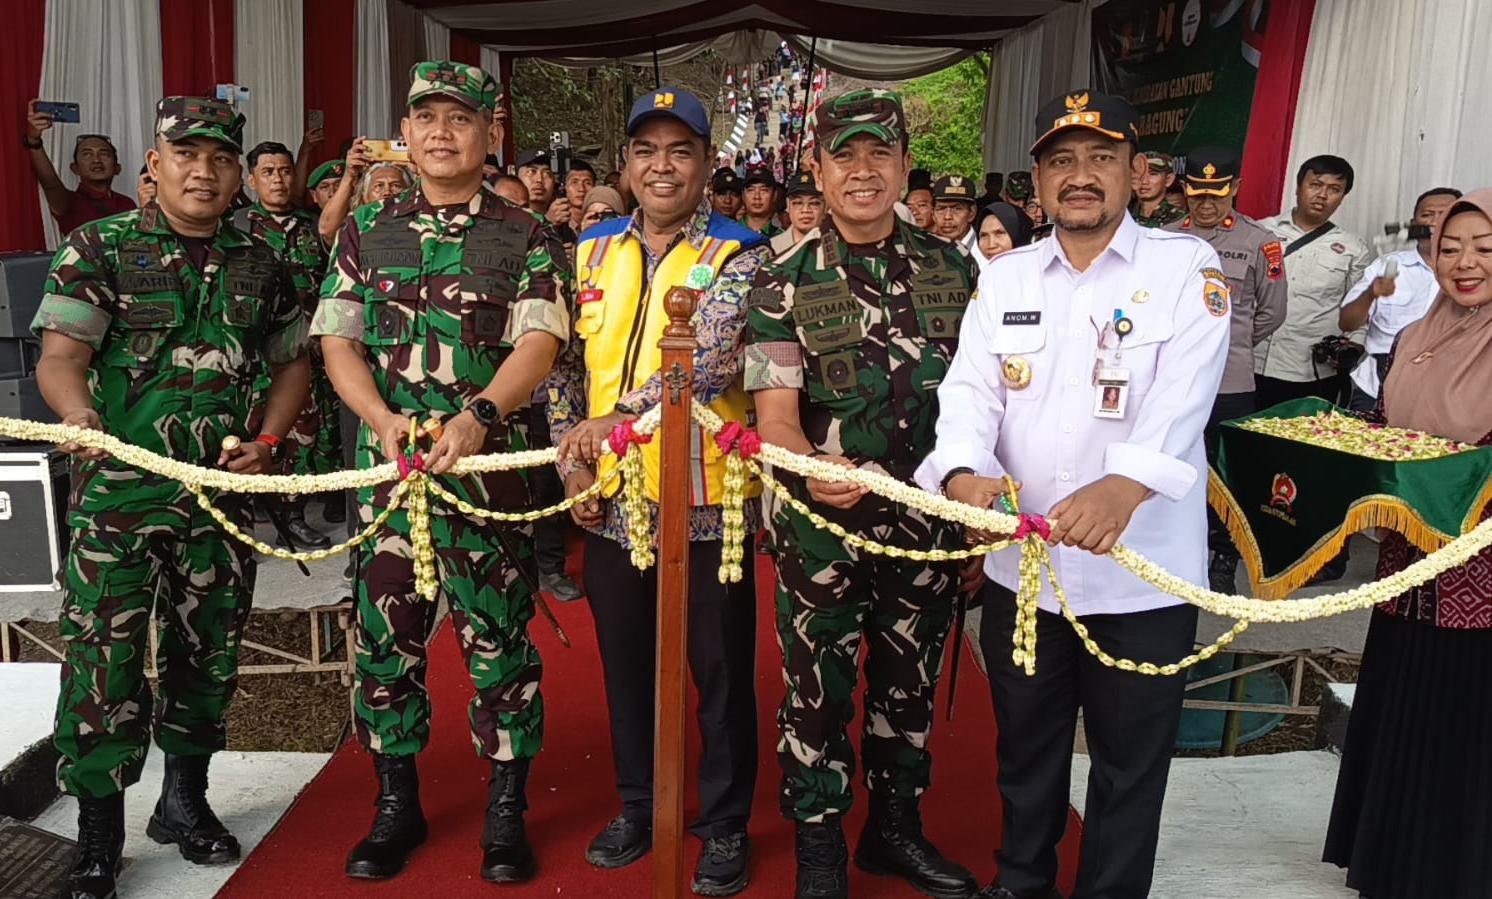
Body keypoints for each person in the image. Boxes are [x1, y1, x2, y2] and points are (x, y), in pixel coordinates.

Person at [919, 89, 1230, 899]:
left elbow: (1184, 396)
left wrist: (1126, 483)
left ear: (1137, 171)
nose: (1081, 176)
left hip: (1141, 572)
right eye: (1062, 160)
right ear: (1038, 179)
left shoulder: (1185, 267)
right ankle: (1021, 884)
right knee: (1026, 754)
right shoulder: (1007, 276)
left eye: (1100, 158)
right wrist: (960, 471)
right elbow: (971, 391)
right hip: (1023, 577)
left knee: (1129, 765)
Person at [34, 96, 311, 899]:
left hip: (217, 500)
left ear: (236, 176)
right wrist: (78, 413)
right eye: (186, 155)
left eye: (222, 158)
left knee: (207, 654)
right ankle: (97, 832)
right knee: (103, 664)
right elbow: (60, 355)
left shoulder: (263, 255)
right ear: (152, 166)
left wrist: (269, 439)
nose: (206, 170)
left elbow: (294, 360)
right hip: (120, 499)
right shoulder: (104, 245)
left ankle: (183, 803)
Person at [314, 60, 570, 885]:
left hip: (487, 476)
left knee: (497, 641)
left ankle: (506, 808)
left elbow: (540, 341)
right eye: (426, 116)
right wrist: (380, 419)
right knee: (386, 641)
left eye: (460, 118)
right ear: (408, 131)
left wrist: (480, 413)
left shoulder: (524, 235)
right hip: (393, 482)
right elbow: (337, 340)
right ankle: (396, 802)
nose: (441, 132)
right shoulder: (368, 228)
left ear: (489, 133)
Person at [745, 88, 981, 899]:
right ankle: (819, 847)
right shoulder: (778, 279)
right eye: (844, 155)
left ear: (905, 165)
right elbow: (774, 416)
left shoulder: (957, 270)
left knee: (908, 684)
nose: (863, 171)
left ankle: (894, 831)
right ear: (816, 168)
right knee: (817, 687)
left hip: (925, 522)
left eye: (880, 153)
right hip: (823, 526)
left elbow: (986, 404)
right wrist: (814, 465)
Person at [548, 86, 765, 896]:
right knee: (627, 665)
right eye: (647, 150)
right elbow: (563, 366)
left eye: (681, 151)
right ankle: (640, 803)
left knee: (718, 670)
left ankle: (724, 820)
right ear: (627, 164)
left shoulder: (745, 252)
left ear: (707, 164)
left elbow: (706, 359)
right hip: (613, 502)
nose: (662, 165)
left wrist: (616, 420)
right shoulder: (590, 249)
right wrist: (572, 459)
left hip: (709, 502)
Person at [1323, 188, 1492, 899]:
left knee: (1464, 717)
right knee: (1406, 703)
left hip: (1478, 580)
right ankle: (1394, 855)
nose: (1464, 263)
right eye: (1450, 247)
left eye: (1484, 248)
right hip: (1407, 569)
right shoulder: (1422, 331)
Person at [1165, 146, 1288, 592]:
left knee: (1226, 473)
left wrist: (1227, 346)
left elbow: (1272, 313)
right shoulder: (1166, 238)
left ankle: (1222, 555)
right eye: (1198, 194)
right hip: (1174, 379)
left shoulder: (1260, 242)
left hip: (1230, 381)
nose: (1207, 204)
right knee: (1175, 461)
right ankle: (1176, 549)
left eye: (1217, 193)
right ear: (1185, 191)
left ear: (1235, 188)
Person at [238, 140, 342, 547]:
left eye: (284, 171)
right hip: (261, 353)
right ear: (251, 180)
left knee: (311, 430)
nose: (278, 179)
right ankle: (271, 512)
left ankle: (304, 505)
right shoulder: (239, 228)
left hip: (311, 349)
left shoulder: (313, 225)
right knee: (263, 430)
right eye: (268, 172)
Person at [1255, 155, 1372, 408]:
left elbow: (1359, 311)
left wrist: (1354, 348)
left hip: (1311, 372)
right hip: (1251, 363)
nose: (1322, 195)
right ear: (1298, 188)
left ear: (1342, 197)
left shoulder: (1353, 249)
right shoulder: (1260, 232)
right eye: (1315, 185)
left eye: (1334, 189)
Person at [1337, 187, 1461, 410]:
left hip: (1446, 391)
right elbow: (1346, 322)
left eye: (1444, 214)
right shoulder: (1388, 265)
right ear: (1414, 224)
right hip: (1377, 388)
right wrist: (1370, 294)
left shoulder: (1476, 273)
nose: (1434, 222)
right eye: (1427, 215)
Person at [23, 101, 135, 234]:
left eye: (104, 154)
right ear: (75, 168)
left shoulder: (127, 204)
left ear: (117, 168)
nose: (96, 160)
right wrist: (34, 142)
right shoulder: (69, 202)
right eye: (87, 154)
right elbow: (50, 183)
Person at [770, 169, 824, 254]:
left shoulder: (837, 248)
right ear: (788, 206)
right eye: (798, 203)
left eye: (814, 203)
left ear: (825, 207)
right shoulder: (772, 248)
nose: (805, 210)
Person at [1131, 151, 1185, 227]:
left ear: (1168, 180)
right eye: (1139, 173)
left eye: (1153, 174)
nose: (1144, 181)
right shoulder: (1123, 215)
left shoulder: (1178, 220)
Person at [931, 174, 979, 254]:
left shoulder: (986, 251)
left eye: (957, 209)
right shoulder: (925, 250)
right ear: (933, 214)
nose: (947, 216)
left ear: (972, 213)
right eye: (941, 209)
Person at [742, 169, 783, 236]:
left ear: (774, 195)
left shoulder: (783, 237)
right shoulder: (728, 233)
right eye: (751, 190)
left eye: (764, 190)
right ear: (743, 195)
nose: (757, 197)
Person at [564, 160, 597, 231]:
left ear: (594, 187)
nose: (581, 189)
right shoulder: (558, 223)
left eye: (587, 183)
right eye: (574, 182)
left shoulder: (600, 222)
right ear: (565, 187)